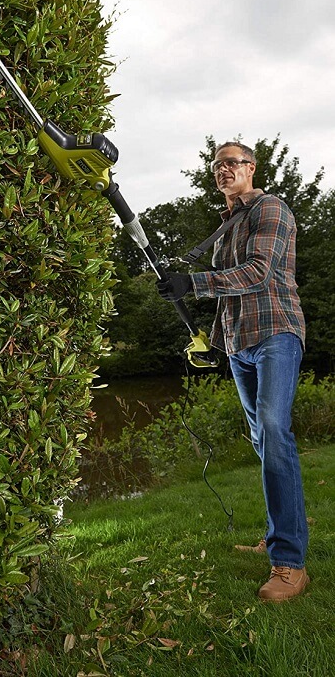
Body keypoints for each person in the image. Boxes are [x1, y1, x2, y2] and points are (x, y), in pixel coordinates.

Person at [156, 141, 309, 602]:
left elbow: (259, 273)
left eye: (232, 163)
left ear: (251, 168)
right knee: (264, 441)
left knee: (274, 430)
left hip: (277, 333)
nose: (223, 170)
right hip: (239, 343)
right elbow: (228, 293)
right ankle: (279, 531)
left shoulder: (271, 209)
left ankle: (289, 564)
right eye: (217, 165)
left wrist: (195, 283)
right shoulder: (225, 227)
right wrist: (207, 335)